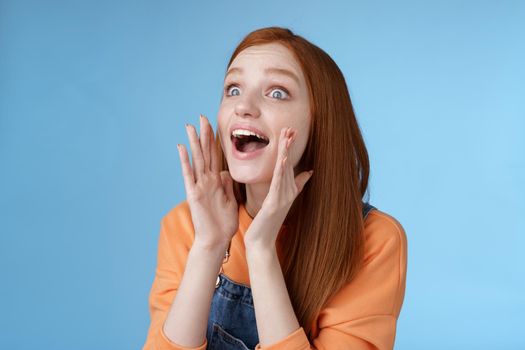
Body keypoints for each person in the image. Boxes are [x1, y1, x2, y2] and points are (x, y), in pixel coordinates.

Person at [142, 26, 407, 350]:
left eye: (277, 92)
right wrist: (208, 247)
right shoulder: (187, 226)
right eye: (233, 89)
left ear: (319, 122)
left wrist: (261, 249)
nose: (244, 106)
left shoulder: (373, 242)